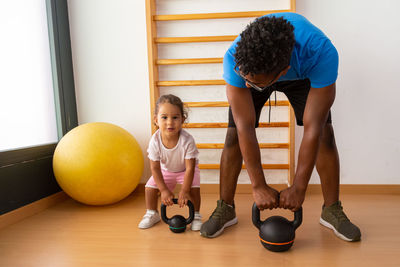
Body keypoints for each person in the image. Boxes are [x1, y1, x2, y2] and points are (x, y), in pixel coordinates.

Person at [200, 13, 361, 241]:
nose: (245, 83)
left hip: (303, 73)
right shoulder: (235, 59)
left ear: (282, 73)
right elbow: (245, 126)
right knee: (234, 134)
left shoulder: (321, 53)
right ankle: (225, 207)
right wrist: (258, 185)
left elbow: (312, 128)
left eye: (252, 82)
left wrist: (299, 187)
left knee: (325, 133)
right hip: (259, 69)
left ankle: (332, 209)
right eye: (243, 77)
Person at [138, 94, 202, 231]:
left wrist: (184, 191)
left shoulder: (187, 140)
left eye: (175, 117)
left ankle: (196, 215)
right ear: (156, 120)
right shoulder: (154, 141)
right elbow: (155, 169)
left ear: (182, 120)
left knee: (194, 190)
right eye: (164, 117)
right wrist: (164, 190)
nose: (170, 122)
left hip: (186, 171)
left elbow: (190, 168)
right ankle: (151, 213)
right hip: (166, 171)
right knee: (149, 188)